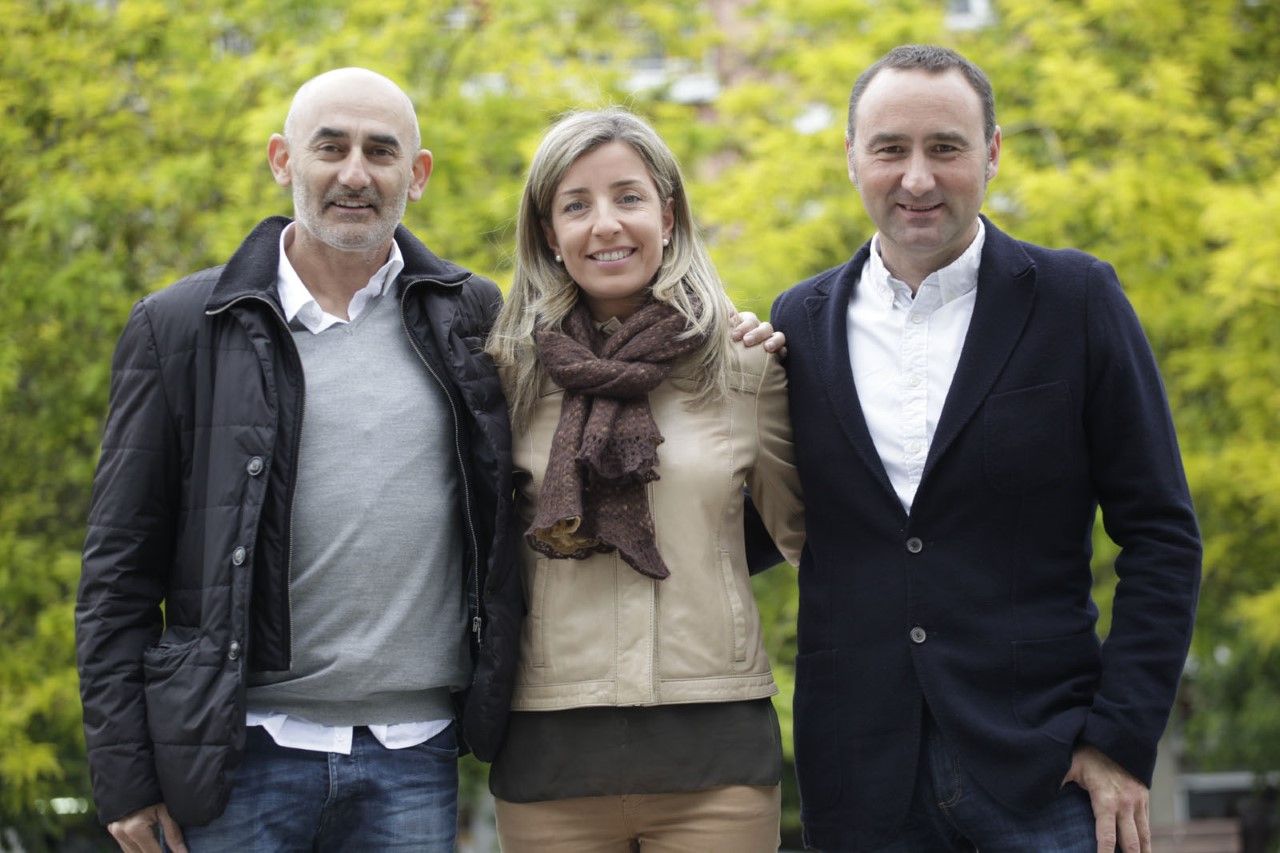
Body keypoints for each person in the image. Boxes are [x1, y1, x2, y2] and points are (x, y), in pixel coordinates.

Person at [73, 67, 526, 852]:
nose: (355, 173)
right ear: (284, 160)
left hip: (414, 756)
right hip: (237, 756)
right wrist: (124, 774)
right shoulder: (180, 327)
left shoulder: (471, 316)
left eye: (381, 152)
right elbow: (117, 574)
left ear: (415, 175)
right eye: (331, 147)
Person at [771, 45, 1201, 853]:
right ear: (852, 157)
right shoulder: (797, 321)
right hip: (861, 778)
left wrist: (1120, 737)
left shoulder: (1078, 299)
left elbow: (1162, 534)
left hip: (1050, 773)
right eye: (891, 149)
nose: (918, 178)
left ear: (992, 153)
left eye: (946, 147)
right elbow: (771, 518)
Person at [484, 107, 805, 852]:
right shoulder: (507, 378)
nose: (606, 225)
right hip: (548, 758)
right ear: (548, 235)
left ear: (667, 216)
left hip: (716, 753)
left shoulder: (746, 367)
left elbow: (816, 546)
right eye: (576, 204)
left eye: (628, 197)